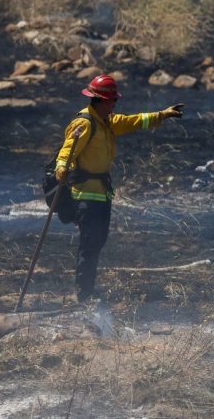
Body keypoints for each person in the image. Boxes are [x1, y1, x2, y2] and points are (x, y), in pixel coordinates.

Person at [54, 74, 184, 303]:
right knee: (89, 245)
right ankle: (84, 296)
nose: (114, 104)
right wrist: (61, 168)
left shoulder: (105, 121)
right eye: (112, 101)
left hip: (102, 194)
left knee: (97, 243)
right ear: (100, 100)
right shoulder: (84, 123)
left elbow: (132, 121)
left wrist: (162, 115)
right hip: (86, 196)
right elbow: (66, 151)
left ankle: (87, 290)